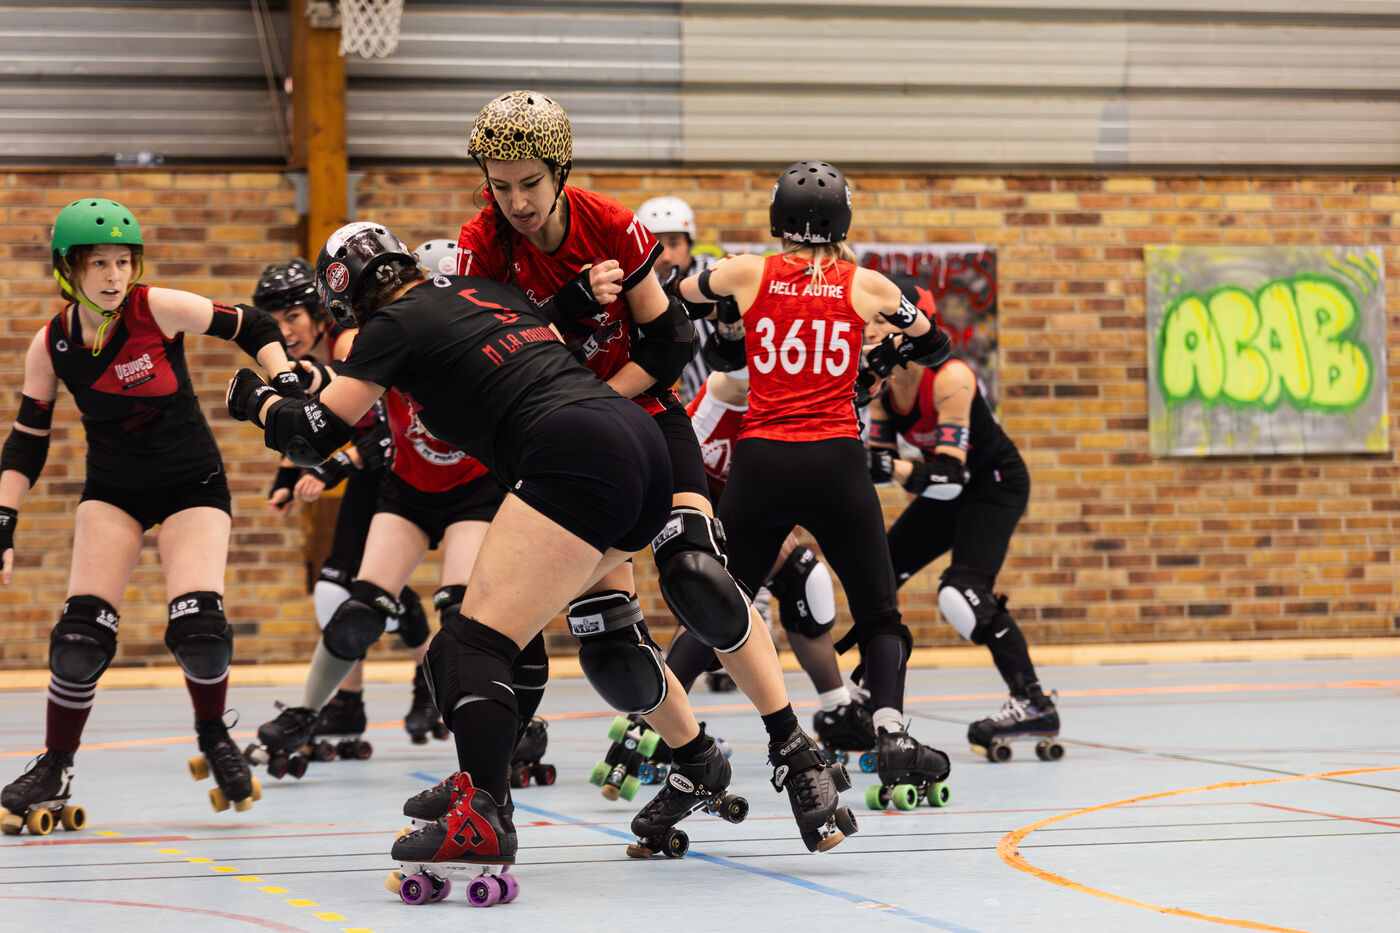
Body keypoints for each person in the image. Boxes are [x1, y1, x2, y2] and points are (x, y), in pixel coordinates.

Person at [222, 221, 755, 885]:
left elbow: (313, 435)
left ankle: (483, 813)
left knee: (465, 647)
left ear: (343, 295)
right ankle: (686, 760)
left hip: (573, 457)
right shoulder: (481, 291)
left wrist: (257, 400)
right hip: (637, 442)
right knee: (567, 639)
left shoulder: (392, 323)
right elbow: (547, 321)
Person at [455, 90, 854, 853]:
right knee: (609, 648)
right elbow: (496, 359)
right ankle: (695, 759)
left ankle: (794, 747)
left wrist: (597, 398)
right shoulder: (482, 245)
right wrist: (564, 312)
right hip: (563, 444)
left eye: (530, 184)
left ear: (561, 171)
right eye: (499, 186)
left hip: (640, 411)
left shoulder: (609, 223)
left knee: (698, 576)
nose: (516, 202)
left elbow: (668, 345)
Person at [0, 198, 297, 833]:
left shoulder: (155, 308)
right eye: (98, 263)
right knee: (78, 643)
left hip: (192, 484)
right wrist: (4, 520)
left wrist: (286, 381)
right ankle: (55, 766)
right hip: (114, 490)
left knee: (200, 634)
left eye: (123, 261)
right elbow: (27, 439)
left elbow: (253, 325)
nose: (113, 276)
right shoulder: (50, 344)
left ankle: (213, 732)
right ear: (68, 270)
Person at [677, 161, 954, 805]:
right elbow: (935, 344)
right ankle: (892, 733)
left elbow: (671, 296)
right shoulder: (868, 285)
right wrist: (893, 346)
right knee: (879, 612)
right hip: (835, 461)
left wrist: (726, 318)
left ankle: (655, 723)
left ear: (779, 218)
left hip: (762, 461)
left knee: (723, 603)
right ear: (843, 221)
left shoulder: (746, 271)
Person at [867, 275, 1060, 762]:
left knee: (962, 593)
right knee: (877, 573)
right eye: (865, 318)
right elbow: (878, 467)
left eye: (880, 319)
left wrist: (891, 467)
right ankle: (874, 701)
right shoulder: (883, 386)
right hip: (952, 487)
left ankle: (1033, 702)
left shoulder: (951, 377)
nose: (867, 328)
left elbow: (947, 474)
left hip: (994, 483)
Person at [250, 257, 438, 754]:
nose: (284, 332)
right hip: (373, 472)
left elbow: (391, 428)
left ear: (319, 313)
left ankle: (428, 688)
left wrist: (332, 467)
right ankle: (351, 702)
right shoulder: (304, 359)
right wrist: (287, 478)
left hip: (404, 469)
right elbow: (313, 423)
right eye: (274, 322)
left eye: (293, 317)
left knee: (365, 592)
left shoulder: (348, 343)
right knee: (338, 591)